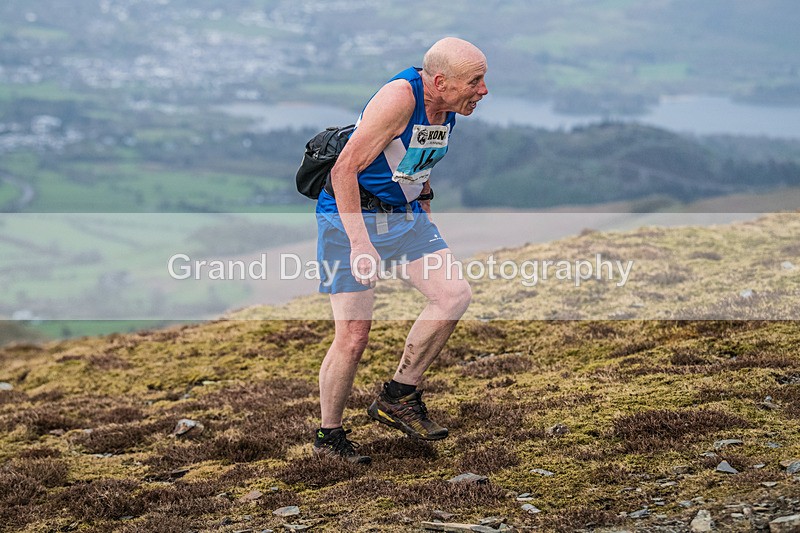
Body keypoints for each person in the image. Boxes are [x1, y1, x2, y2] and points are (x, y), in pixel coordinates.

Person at [312, 37, 488, 464]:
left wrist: (424, 200)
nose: (483, 91)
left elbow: (415, 157)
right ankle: (328, 438)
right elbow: (344, 170)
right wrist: (359, 243)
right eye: (476, 81)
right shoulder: (398, 98)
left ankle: (398, 395)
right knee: (353, 337)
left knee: (453, 296)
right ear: (441, 80)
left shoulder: (447, 105)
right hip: (352, 217)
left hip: (405, 215)